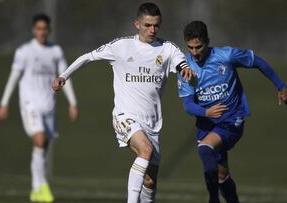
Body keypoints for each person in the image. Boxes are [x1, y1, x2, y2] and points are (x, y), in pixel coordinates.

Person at [52, 2, 194, 203]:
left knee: (150, 181)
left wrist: (185, 69)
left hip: (153, 123)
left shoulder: (167, 49)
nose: (152, 30)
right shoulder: (121, 46)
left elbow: (181, 62)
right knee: (145, 151)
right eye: (147, 25)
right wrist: (64, 76)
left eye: (156, 25)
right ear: (137, 24)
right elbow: (88, 57)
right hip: (125, 117)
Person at [178, 21, 287, 203]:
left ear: (207, 41)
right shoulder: (185, 67)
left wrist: (281, 86)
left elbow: (258, 62)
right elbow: (187, 104)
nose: (194, 52)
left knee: (205, 148)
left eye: (198, 47)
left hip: (231, 119)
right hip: (207, 122)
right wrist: (206, 112)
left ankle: (213, 199)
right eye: (190, 47)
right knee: (222, 175)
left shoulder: (226, 56)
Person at [0, 13, 79, 203]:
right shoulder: (24, 51)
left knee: (43, 147)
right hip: (30, 104)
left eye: (45, 29)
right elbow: (13, 78)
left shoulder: (55, 51)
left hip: (48, 105)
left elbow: (64, 76)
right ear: (34, 30)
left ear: (49, 30)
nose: (42, 32)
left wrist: (73, 103)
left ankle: (36, 191)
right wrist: (4, 102)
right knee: (39, 140)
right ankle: (40, 187)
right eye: (39, 29)